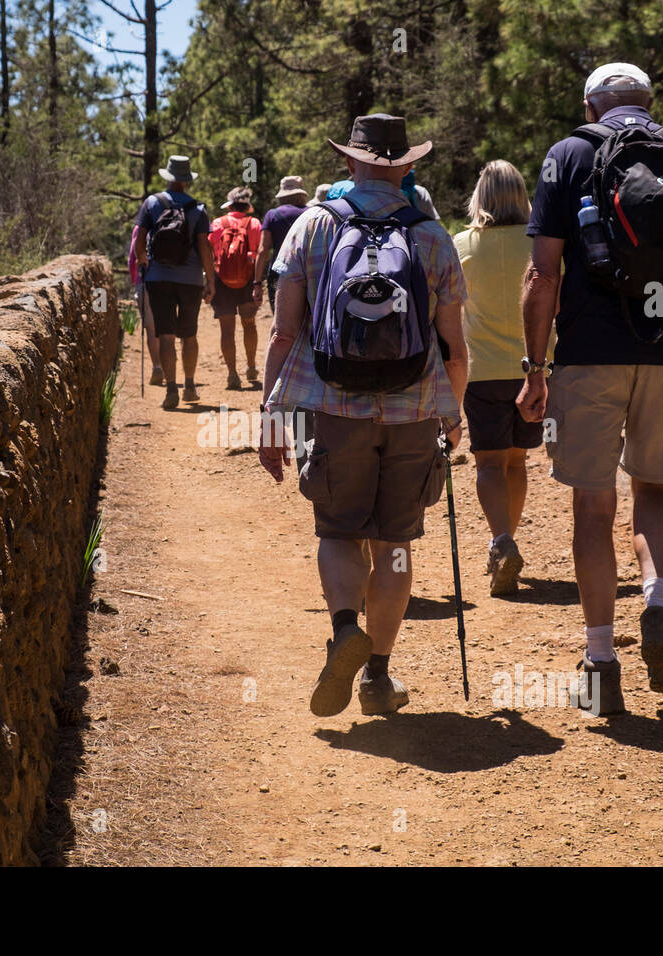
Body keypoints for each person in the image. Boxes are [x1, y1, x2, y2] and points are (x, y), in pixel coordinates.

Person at [516, 63, 663, 716]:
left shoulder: (568, 154)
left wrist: (535, 368)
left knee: (592, 507)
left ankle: (600, 659)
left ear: (591, 105)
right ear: (648, 102)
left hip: (588, 355)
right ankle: (658, 602)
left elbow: (541, 273)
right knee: (653, 489)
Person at [259, 113, 469, 717]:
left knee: (339, 531)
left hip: (333, 407)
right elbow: (454, 346)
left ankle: (346, 626)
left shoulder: (313, 227)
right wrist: (450, 415)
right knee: (396, 545)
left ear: (349, 162)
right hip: (410, 413)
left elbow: (283, 332)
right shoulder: (431, 236)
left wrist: (272, 416)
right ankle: (378, 674)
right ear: (406, 167)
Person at [453, 160, 553, 596]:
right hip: (535, 370)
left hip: (481, 371)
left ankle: (501, 541)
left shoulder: (463, 246)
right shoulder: (543, 246)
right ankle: (505, 543)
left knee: (489, 463)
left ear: (481, 197)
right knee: (517, 461)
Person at [132, 155, 216, 409]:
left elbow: (139, 240)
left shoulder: (151, 203)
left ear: (168, 177)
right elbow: (204, 246)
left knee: (166, 336)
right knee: (189, 335)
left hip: (159, 278)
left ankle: (171, 390)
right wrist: (210, 280)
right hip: (190, 280)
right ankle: (189, 386)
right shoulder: (198, 209)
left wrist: (144, 261)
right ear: (187, 181)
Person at [209, 186, 263, 389]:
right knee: (249, 324)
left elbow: (210, 250)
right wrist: (258, 283)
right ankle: (251, 367)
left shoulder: (217, 223)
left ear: (230, 205)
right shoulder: (255, 223)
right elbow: (259, 252)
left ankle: (232, 374)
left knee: (227, 329)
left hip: (222, 280)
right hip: (248, 279)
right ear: (247, 205)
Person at [254, 175, 309, 315]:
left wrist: (257, 283)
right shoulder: (312, 212)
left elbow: (262, 250)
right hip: (307, 270)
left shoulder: (272, 215)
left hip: (280, 272)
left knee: (280, 318)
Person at [127, 223, 163, 385]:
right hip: (168, 281)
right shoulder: (171, 224)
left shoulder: (140, 228)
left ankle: (157, 366)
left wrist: (136, 280)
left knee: (151, 327)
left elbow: (133, 258)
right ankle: (170, 369)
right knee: (166, 328)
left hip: (146, 281)